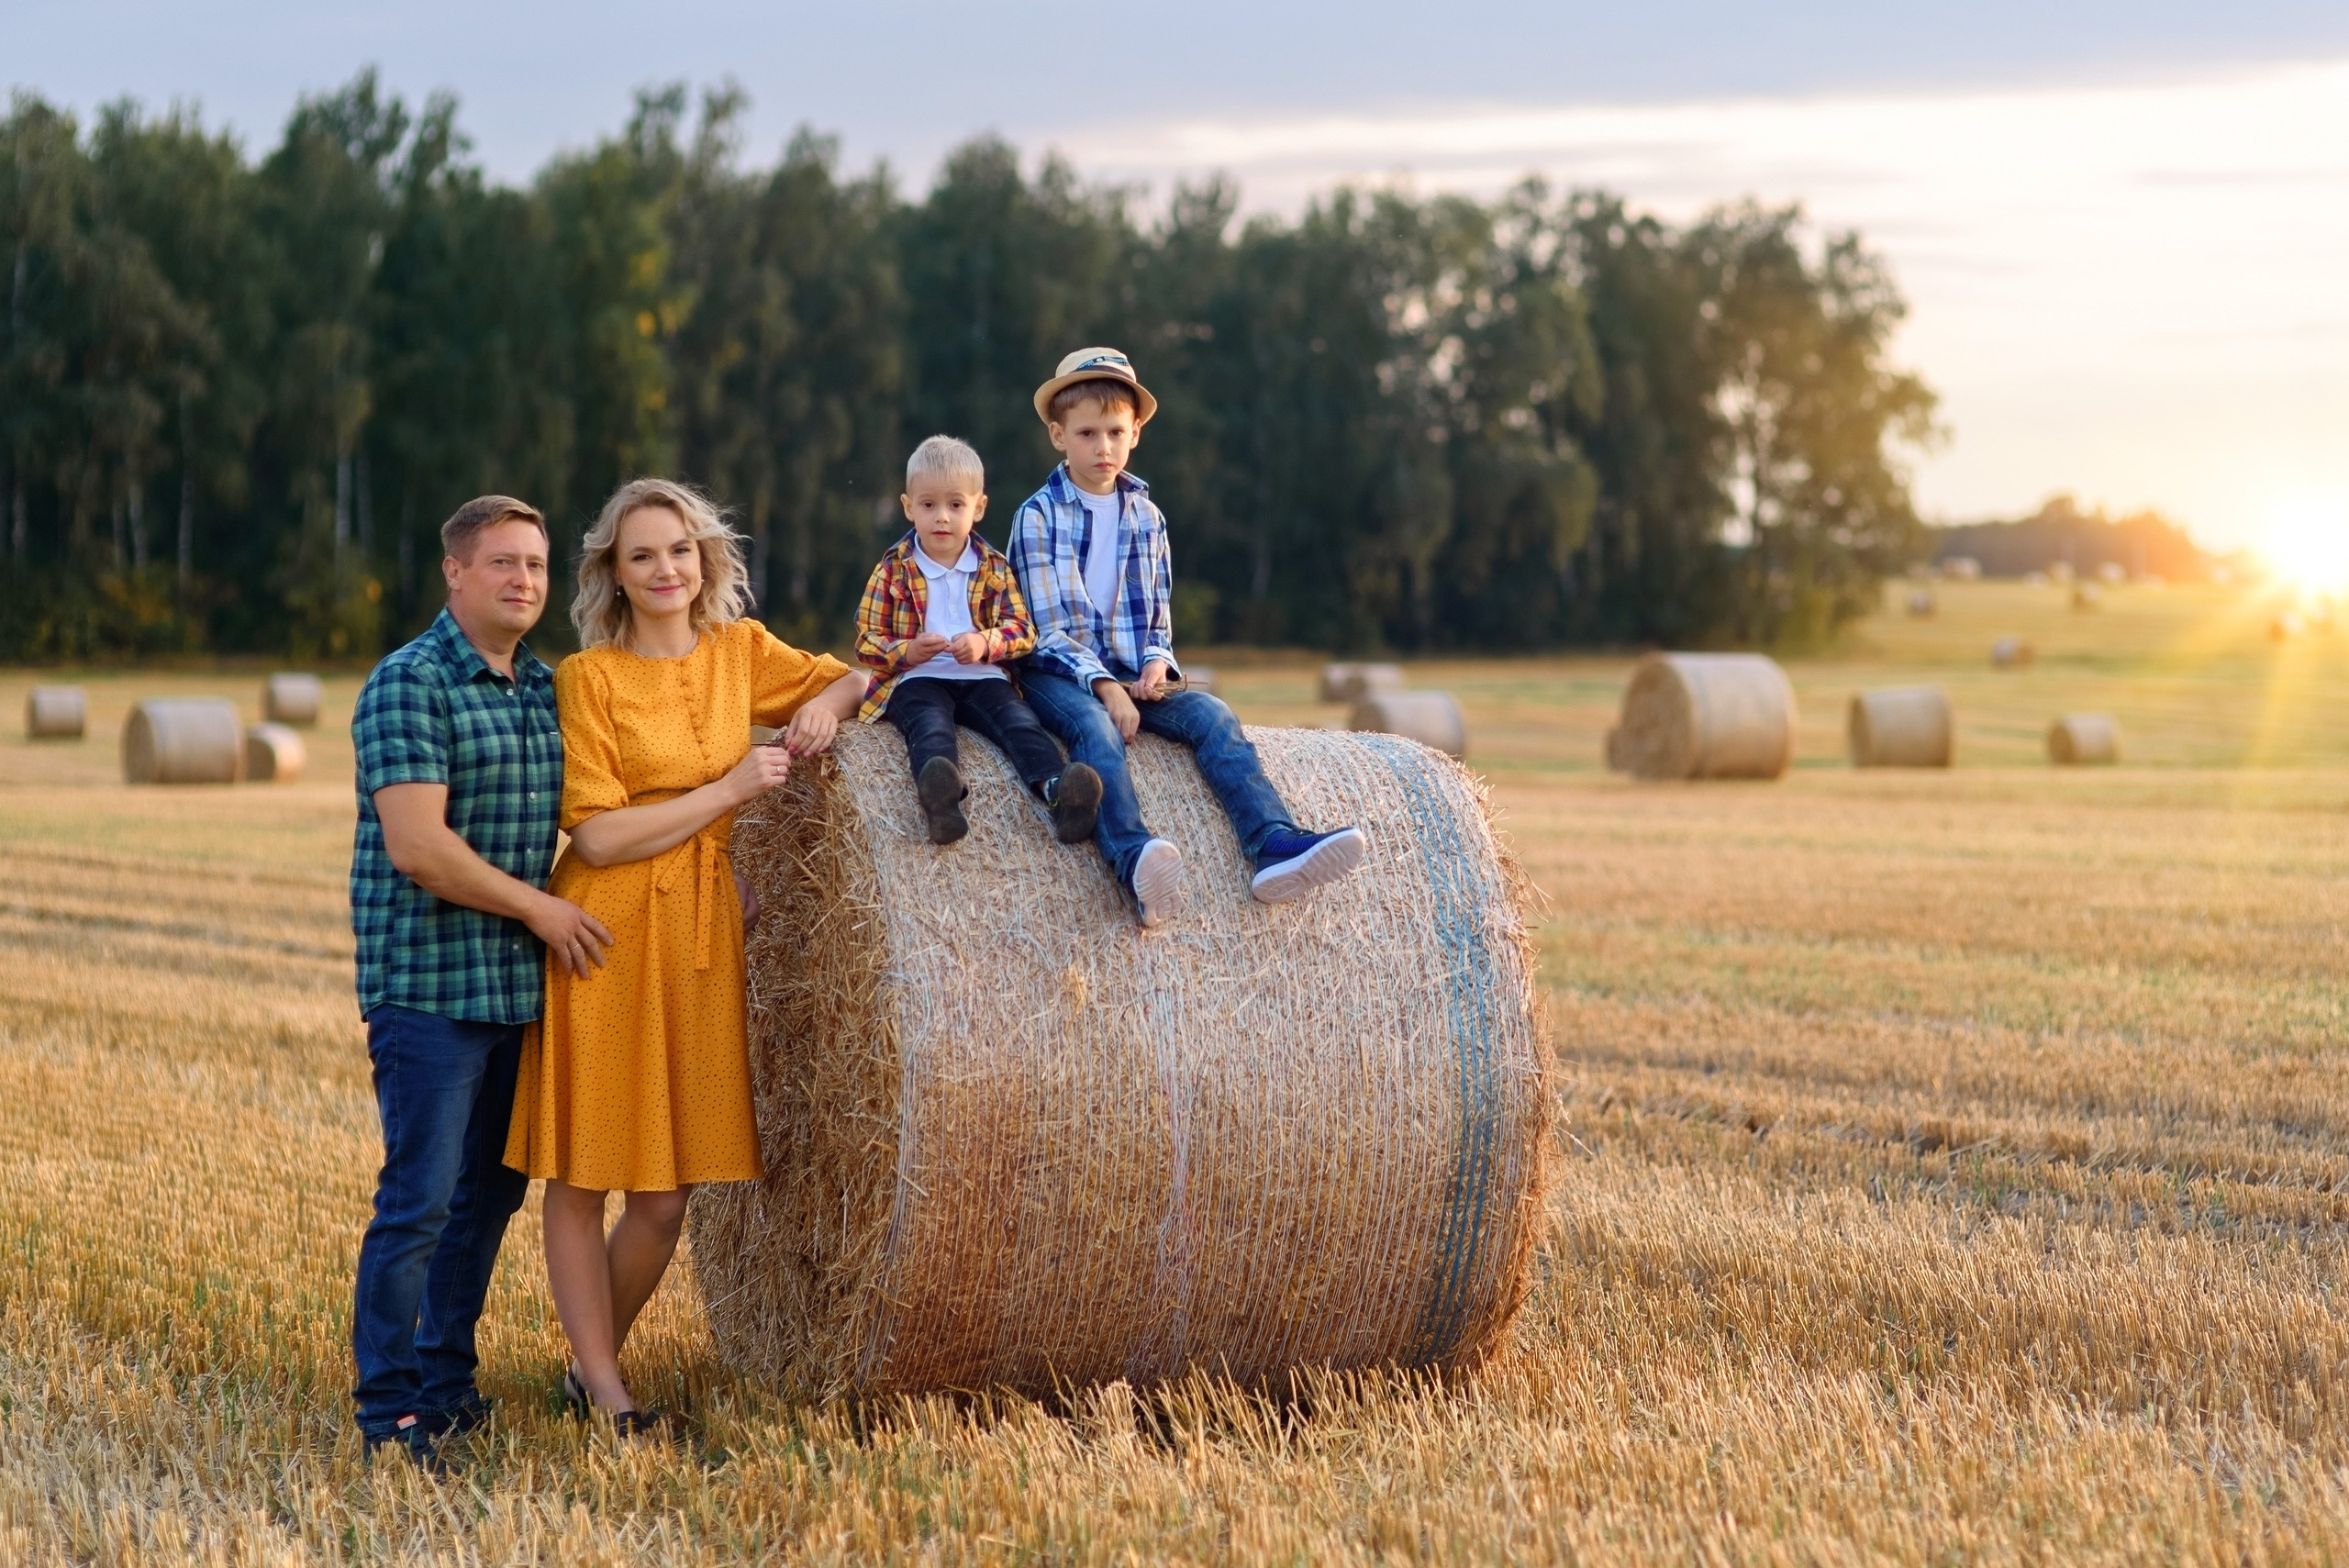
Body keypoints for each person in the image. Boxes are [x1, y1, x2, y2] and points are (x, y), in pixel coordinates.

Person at [502, 476, 868, 1435]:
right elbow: (596, 838)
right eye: (641, 555)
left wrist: (826, 707)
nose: (665, 568)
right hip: (610, 930)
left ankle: (589, 1367)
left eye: (678, 549)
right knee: (584, 1176)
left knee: (664, 1198)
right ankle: (608, 1392)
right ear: (613, 576)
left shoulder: (740, 653)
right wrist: (733, 789)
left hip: (703, 934)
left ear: (704, 558)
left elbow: (860, 674)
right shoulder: (589, 679)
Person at [349, 495, 614, 1461]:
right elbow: (421, 847)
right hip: (426, 984)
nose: (523, 581)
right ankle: (388, 1410)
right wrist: (542, 908)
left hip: (512, 990)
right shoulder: (408, 683)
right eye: (502, 562)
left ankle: (446, 1380)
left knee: (488, 1198)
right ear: (454, 572)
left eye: (536, 566)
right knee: (418, 1198)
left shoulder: (544, 687)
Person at [1008, 347, 1367, 926]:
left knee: (1212, 716)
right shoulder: (1038, 515)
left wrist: (1156, 664)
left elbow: (1157, 619)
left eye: (1116, 432)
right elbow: (1045, 632)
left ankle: (1271, 844)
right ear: (1058, 436)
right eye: (1087, 433)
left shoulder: (1148, 517)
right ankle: (1133, 858)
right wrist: (1107, 688)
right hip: (1059, 676)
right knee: (1095, 732)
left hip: (1131, 675)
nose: (1103, 447)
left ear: (1136, 435)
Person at [855, 434, 1102, 846]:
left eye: (955, 505)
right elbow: (866, 639)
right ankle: (942, 800)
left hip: (985, 677)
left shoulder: (993, 568)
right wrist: (907, 651)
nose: (942, 518)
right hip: (918, 679)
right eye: (928, 505)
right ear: (908, 507)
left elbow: (1024, 631)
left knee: (1019, 724)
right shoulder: (892, 570)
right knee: (929, 727)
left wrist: (986, 643)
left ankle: (1060, 791)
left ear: (979, 508)